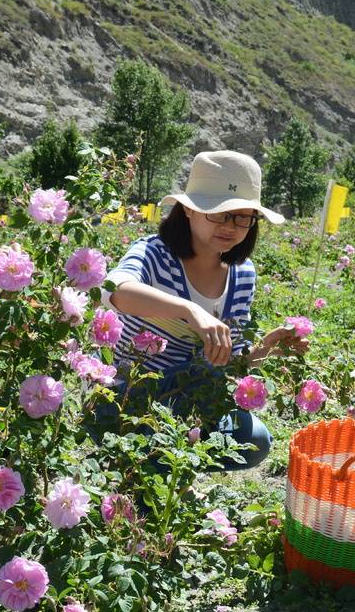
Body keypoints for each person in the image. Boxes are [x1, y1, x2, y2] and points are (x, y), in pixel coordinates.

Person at [102, 150, 306, 469]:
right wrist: (189, 310)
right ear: (188, 210)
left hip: (194, 400)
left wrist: (266, 350)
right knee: (169, 418)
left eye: (243, 217)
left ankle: (171, 467)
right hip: (135, 395)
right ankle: (142, 468)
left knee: (253, 440)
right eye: (220, 214)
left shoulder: (242, 274)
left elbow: (225, 362)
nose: (231, 227)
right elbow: (114, 289)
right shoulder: (155, 255)